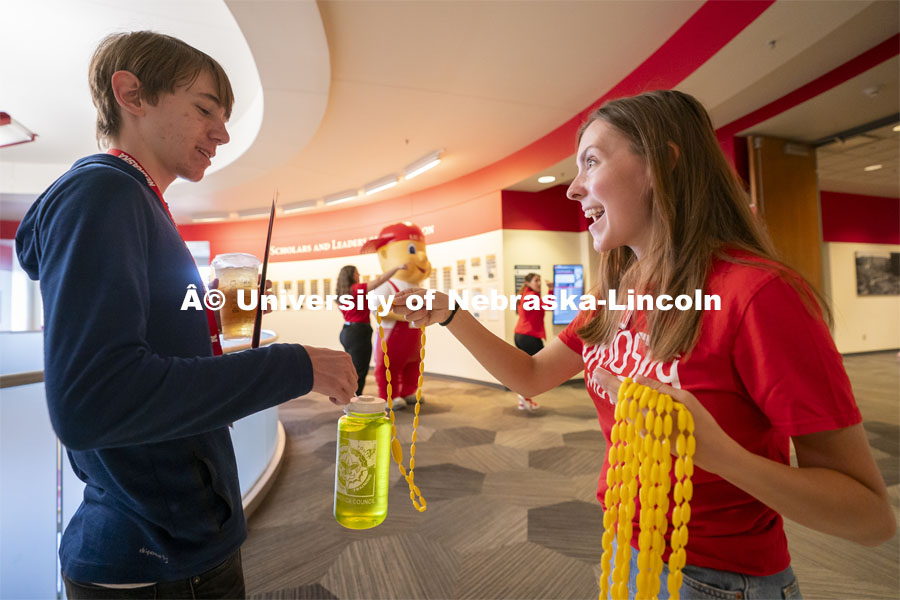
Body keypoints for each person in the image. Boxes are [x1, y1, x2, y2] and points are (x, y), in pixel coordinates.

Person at [392, 90, 895, 598]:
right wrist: (449, 313)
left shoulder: (757, 294)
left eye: (591, 161)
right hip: (628, 551)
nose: (573, 189)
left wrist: (721, 456)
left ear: (660, 164)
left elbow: (870, 517)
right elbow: (531, 376)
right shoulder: (612, 293)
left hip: (719, 578)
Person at [15, 31, 356, 598]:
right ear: (131, 94)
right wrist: (296, 365)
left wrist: (205, 317)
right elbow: (94, 401)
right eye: (204, 110)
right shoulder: (105, 192)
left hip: (177, 538)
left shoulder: (132, 201)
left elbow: (146, 359)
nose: (222, 133)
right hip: (151, 556)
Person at [360, 222, 433, 411]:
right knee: (389, 366)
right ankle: (389, 396)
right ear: (384, 254)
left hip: (414, 334)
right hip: (392, 334)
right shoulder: (385, 285)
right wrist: (403, 315)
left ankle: (409, 390)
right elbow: (377, 309)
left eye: (420, 249)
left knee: (413, 364)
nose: (421, 257)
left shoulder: (416, 286)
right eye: (411, 250)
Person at [336, 263, 407, 396]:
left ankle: (349, 398)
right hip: (359, 333)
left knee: (352, 369)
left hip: (346, 332)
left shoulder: (342, 292)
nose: (359, 275)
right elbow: (379, 281)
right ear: (351, 275)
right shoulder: (357, 289)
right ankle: (354, 402)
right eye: (357, 273)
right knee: (360, 371)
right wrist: (397, 267)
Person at [513, 272, 545, 411]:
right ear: (528, 283)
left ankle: (523, 398)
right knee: (540, 367)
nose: (539, 283)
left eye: (539, 280)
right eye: (536, 280)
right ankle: (523, 395)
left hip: (521, 335)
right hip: (528, 337)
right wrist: (551, 289)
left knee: (528, 369)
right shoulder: (532, 297)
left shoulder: (525, 295)